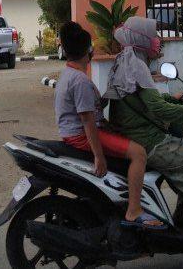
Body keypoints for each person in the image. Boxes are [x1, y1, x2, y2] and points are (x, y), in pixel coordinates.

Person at [104, 16, 183, 240]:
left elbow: (146, 102)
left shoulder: (127, 60)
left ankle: (181, 213)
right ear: (141, 39)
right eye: (154, 36)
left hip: (133, 134)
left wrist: (176, 100)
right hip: (149, 140)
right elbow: (159, 110)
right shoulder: (136, 65)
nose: (158, 40)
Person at [55, 21, 164, 230]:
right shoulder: (80, 81)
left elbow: (92, 108)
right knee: (139, 153)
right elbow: (88, 122)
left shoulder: (69, 74)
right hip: (82, 135)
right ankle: (134, 211)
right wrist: (99, 156)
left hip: (74, 132)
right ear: (90, 51)